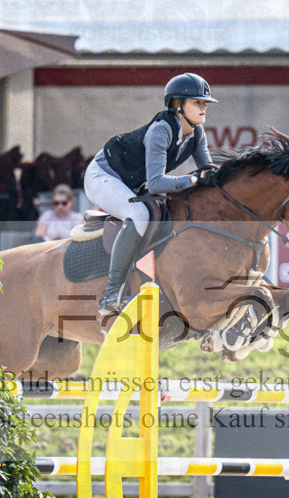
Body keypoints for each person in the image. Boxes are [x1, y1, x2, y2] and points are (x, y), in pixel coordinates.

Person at [85, 73, 219, 316]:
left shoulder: (197, 132)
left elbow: (207, 171)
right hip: (103, 175)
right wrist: (193, 179)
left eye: (205, 103)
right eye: (197, 102)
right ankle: (111, 293)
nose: (204, 107)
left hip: (132, 182)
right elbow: (157, 184)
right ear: (178, 105)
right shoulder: (161, 130)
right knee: (138, 214)